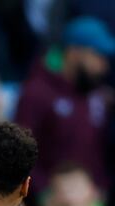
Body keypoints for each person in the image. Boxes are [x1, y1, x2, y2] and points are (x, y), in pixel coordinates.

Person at [15, 16, 115, 194]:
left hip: (90, 201)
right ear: (74, 52)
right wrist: (46, 195)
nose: (104, 66)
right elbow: (20, 156)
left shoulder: (96, 97)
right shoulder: (37, 93)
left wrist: (101, 191)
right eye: (97, 55)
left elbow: (99, 157)